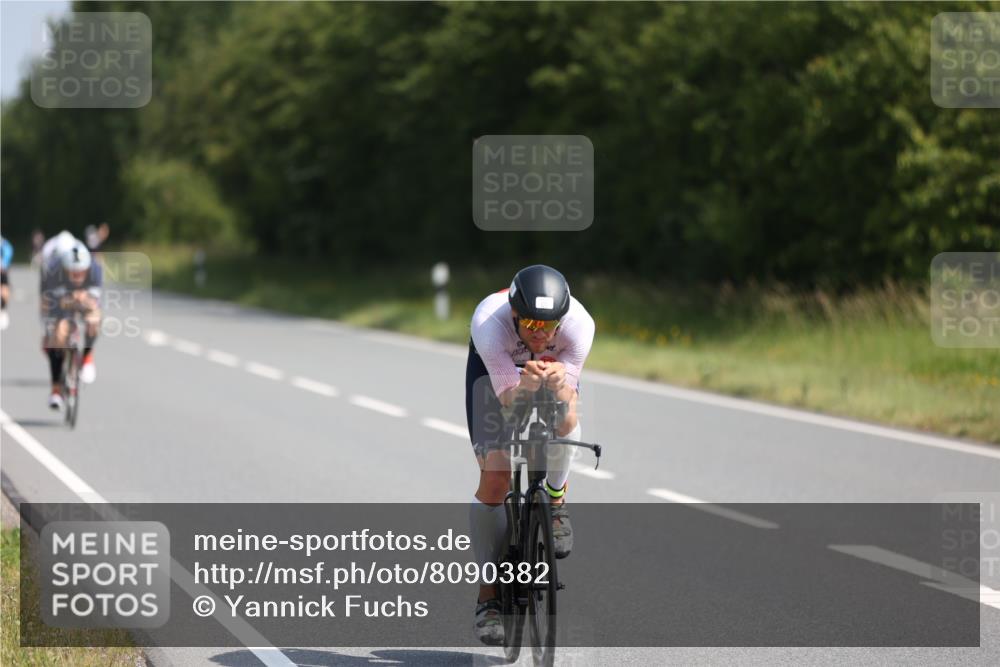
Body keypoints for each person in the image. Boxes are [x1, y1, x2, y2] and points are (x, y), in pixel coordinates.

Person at [465, 264, 595, 645]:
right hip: (496, 376)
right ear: (515, 315)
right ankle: (488, 596)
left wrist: (558, 387)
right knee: (495, 476)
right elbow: (508, 402)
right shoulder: (490, 323)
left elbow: (568, 410)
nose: (541, 335)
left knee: (564, 419)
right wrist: (527, 385)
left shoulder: (579, 326)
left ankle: (554, 502)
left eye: (549, 327)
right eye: (532, 326)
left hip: (548, 374)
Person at [41, 241, 102, 409]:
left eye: (81, 273)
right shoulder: (54, 271)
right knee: (58, 336)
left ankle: (87, 356)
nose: (77, 277)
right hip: (60, 303)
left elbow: (95, 303)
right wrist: (69, 299)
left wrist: (83, 298)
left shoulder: (95, 269)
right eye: (73, 274)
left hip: (84, 300)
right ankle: (55, 390)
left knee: (94, 320)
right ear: (65, 270)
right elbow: (51, 304)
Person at [0, 236, 12, 330]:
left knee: (4, 289)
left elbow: (8, 251)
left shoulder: (3, 243)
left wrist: (4, 264)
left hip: (2, 270)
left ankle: (3, 310)